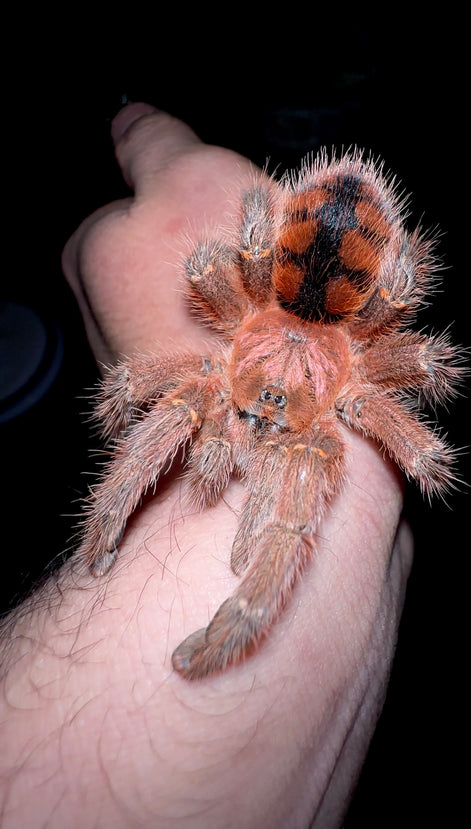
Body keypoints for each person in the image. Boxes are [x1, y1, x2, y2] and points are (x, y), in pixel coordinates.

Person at [0, 103, 413, 827]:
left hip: (326, 275)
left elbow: (425, 384)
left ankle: (246, 615)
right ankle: (102, 530)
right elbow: (190, 278)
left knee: (270, 481)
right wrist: (108, 528)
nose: (262, 422)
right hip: (306, 276)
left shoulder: (340, 388)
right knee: (153, 399)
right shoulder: (226, 343)